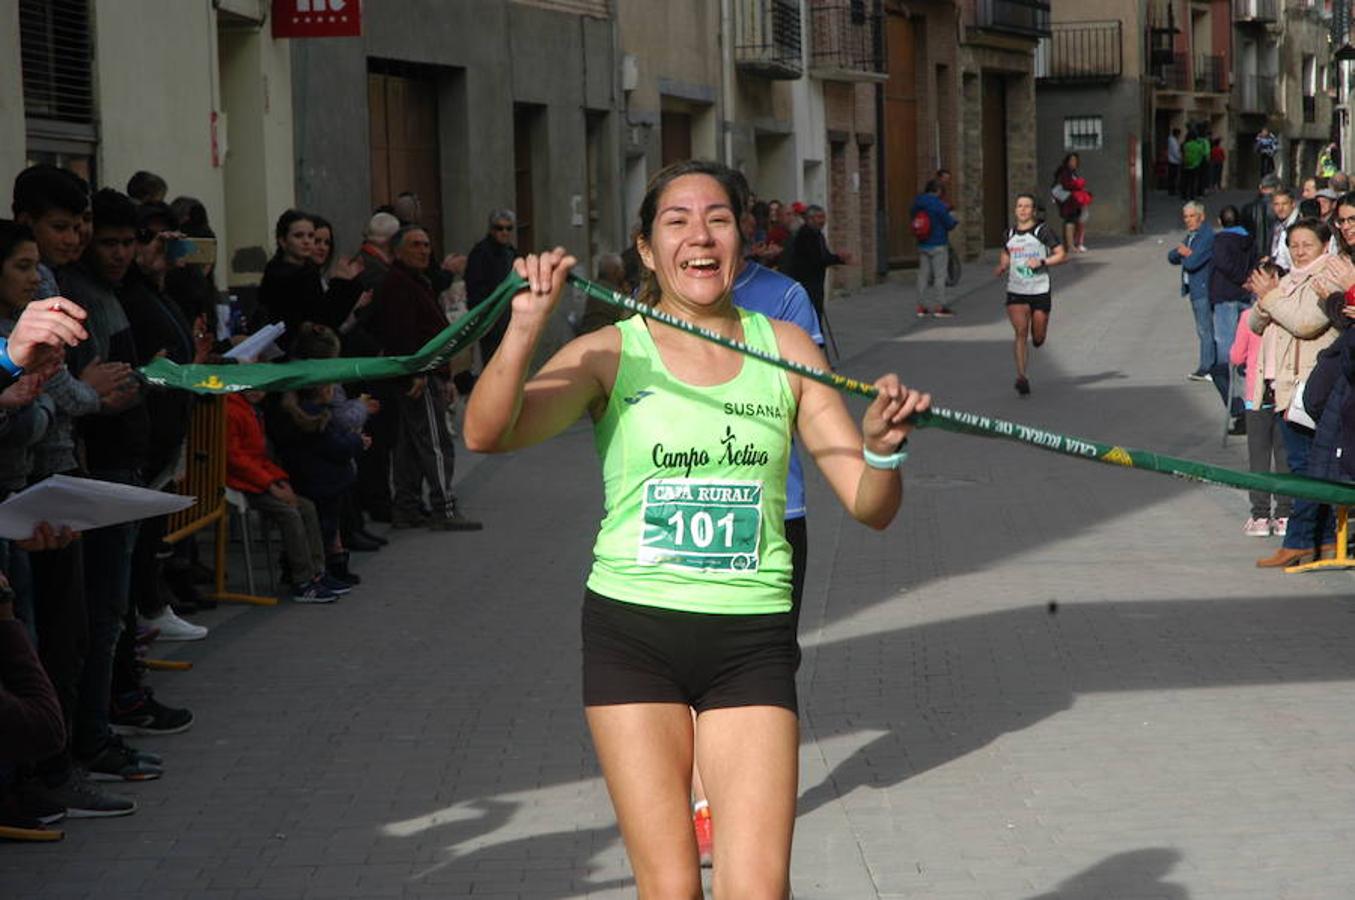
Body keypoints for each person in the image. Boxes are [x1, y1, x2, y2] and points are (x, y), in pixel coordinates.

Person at [464, 158, 929, 895]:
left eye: (717, 218)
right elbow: (489, 434)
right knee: (672, 888)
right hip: (633, 637)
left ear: (744, 241)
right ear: (647, 249)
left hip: (749, 640)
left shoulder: (785, 347)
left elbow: (869, 507)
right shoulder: (613, 352)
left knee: (756, 889)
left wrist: (881, 448)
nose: (699, 234)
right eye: (675, 221)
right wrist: (524, 329)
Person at [1245, 218, 1354, 567]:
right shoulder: (1288, 280)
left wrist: (1270, 297)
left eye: (1307, 244)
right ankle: (1316, 539)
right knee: (1305, 464)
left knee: (1306, 466)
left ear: (1325, 246)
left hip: (1309, 385)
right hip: (1281, 385)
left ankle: (1301, 539)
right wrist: (1270, 298)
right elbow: (1254, 322)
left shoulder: (1327, 276)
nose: (1300, 251)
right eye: (1294, 245)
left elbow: (1305, 321)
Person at [368, 225, 482, 532]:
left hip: (424, 372)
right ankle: (444, 507)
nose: (423, 250)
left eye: (427, 244)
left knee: (409, 445)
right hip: (418, 375)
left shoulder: (417, 281)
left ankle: (405, 507)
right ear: (398, 251)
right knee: (435, 443)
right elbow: (399, 332)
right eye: (416, 245)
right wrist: (416, 372)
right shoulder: (398, 284)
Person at [225, 388, 347, 603]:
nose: (257, 392)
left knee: (307, 507)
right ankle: (302, 579)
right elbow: (236, 459)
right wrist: (271, 483)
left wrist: (279, 480)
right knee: (289, 512)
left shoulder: (251, 411)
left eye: (262, 388)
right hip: (241, 483)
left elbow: (260, 457)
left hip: (259, 479)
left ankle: (317, 571)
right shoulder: (233, 412)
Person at [994, 193, 1066, 397]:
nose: (1023, 210)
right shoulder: (1008, 233)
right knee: (1020, 332)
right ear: (1015, 210)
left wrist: (1042, 262)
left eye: (1027, 206)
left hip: (1040, 289)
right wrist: (1003, 265)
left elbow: (1061, 254)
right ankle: (1021, 377)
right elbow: (1006, 252)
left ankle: (1038, 338)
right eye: (1019, 206)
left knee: (1038, 338)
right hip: (1016, 290)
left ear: (1033, 211)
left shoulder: (1042, 231)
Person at [1231, 306, 1293, 537]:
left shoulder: (1248, 317)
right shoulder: (1286, 314)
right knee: (1283, 456)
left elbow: (1237, 356)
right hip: (1282, 394)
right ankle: (1285, 513)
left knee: (1259, 457)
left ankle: (1260, 516)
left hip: (1255, 397)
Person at [1209, 205, 1258, 423]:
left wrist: (1239, 279)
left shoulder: (1221, 241)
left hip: (1226, 297)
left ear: (1220, 221)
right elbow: (1255, 262)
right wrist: (1248, 281)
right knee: (1245, 350)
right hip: (1245, 296)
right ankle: (1246, 401)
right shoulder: (1249, 239)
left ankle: (1239, 406)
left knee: (1228, 357)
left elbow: (1223, 264)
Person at [257, 209, 324, 351]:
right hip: (283, 346)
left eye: (311, 236)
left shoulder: (311, 270)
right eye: (299, 236)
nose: (306, 241)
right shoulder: (277, 274)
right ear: (283, 241)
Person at [1168, 201, 1216, 382]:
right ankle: (1208, 365)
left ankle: (1207, 367)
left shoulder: (1206, 236)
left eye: (1192, 216)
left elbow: (1192, 262)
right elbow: (1172, 256)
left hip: (1203, 288)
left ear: (1201, 217)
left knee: (1206, 330)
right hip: (1195, 289)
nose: (1188, 220)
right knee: (1203, 329)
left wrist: (1187, 254)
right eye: (1186, 217)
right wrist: (1184, 252)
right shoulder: (1192, 236)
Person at [465, 209, 520, 363]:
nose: (504, 232)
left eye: (508, 228)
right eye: (499, 228)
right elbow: (475, 289)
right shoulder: (481, 252)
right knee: (492, 361)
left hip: (509, 315)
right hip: (490, 317)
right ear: (491, 229)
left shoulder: (511, 252)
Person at [781, 204, 852, 322]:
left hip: (816, 283)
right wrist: (837, 258)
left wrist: (839, 259)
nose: (822, 221)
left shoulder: (818, 235)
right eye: (819, 217)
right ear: (810, 219)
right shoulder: (806, 235)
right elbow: (816, 259)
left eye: (823, 217)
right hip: (807, 283)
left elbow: (823, 256)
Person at [909, 181, 958, 318]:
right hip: (938, 243)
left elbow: (914, 218)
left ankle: (921, 306)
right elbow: (949, 223)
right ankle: (940, 306)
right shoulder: (938, 204)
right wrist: (954, 219)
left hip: (923, 243)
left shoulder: (917, 203)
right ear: (937, 191)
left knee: (923, 275)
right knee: (939, 276)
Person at [1052, 153, 1089, 252]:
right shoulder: (1065, 172)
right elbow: (1067, 185)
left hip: (1072, 200)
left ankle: (1073, 244)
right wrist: (1079, 183)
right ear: (1067, 161)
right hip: (1068, 201)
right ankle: (1071, 245)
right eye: (1072, 160)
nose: (1074, 162)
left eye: (1075, 161)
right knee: (1070, 221)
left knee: (1074, 220)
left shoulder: (1072, 172)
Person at [1242, 174, 1281, 261]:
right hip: (1274, 254)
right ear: (1277, 188)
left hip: (1253, 254)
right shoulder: (1280, 209)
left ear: (1261, 188)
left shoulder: (1248, 208)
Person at [1265, 187, 1299, 274]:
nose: (1280, 208)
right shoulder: (1276, 225)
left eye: (1284, 204)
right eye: (1276, 204)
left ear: (1293, 204)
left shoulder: (1299, 224)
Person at [1166, 128, 1183, 196]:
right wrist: (1180, 158)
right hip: (1174, 161)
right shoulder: (1173, 141)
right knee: (1173, 177)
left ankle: (1171, 190)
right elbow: (1175, 152)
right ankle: (1172, 190)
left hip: (1172, 160)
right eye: (1179, 134)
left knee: (1172, 177)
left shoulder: (1172, 140)